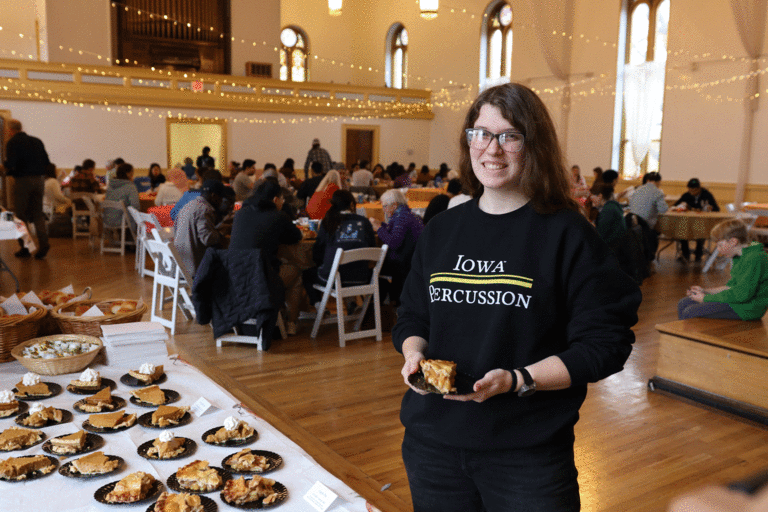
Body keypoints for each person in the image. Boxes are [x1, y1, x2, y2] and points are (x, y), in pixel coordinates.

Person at [392, 83, 641, 512]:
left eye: (510, 136)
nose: (492, 148)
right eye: (481, 133)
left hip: (527, 453)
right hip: (432, 445)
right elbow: (413, 316)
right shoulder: (442, 231)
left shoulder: (567, 234)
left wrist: (518, 380)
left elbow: (605, 345)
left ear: (534, 146)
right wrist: (413, 354)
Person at [229, 180, 303, 335]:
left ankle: (279, 314)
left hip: (234, 277)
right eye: (282, 199)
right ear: (276, 199)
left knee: (275, 264)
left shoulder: (240, 213)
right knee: (296, 272)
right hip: (261, 280)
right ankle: (291, 323)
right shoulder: (278, 216)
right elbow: (296, 236)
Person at [678, 219, 768, 320]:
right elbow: (731, 287)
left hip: (747, 309)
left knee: (690, 311)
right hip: (738, 303)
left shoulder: (754, 258)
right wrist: (705, 291)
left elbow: (741, 295)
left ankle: (690, 335)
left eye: (720, 245)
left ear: (733, 241)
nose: (718, 249)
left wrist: (705, 298)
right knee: (684, 303)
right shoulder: (739, 256)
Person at [302, 189, 376, 310]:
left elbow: (318, 251)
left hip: (334, 279)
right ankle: (351, 302)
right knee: (346, 267)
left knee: (307, 274)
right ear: (352, 204)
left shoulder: (328, 221)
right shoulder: (364, 222)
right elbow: (372, 248)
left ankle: (319, 305)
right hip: (361, 278)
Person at [3, 118, 51, 258]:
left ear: (10, 130)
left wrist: (5, 168)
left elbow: (11, 163)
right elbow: (46, 161)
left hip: (23, 180)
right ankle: (44, 243)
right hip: (39, 180)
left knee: (20, 216)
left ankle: (26, 247)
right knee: (37, 213)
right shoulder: (37, 141)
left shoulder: (12, 142)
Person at [370, 189, 423, 306]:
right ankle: (390, 298)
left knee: (371, 270)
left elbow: (394, 242)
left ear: (394, 205)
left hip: (403, 263)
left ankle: (379, 304)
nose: (383, 210)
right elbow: (394, 231)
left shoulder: (401, 218)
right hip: (412, 260)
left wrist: (379, 229)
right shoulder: (407, 215)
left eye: (385, 206)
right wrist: (381, 225)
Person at [174, 179, 228, 277]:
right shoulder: (205, 209)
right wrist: (221, 233)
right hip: (194, 267)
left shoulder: (189, 205)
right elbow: (207, 239)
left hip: (180, 265)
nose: (221, 202)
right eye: (221, 198)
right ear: (213, 195)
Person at [674, 178, 721, 262]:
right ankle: (685, 254)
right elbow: (675, 206)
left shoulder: (707, 195)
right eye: (690, 189)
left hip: (702, 223)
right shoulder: (686, 195)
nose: (692, 192)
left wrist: (709, 208)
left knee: (701, 233)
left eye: (694, 190)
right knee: (681, 231)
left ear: (699, 188)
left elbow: (717, 209)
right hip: (687, 223)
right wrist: (682, 206)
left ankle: (698, 254)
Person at [103, 162, 140, 232]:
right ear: (128, 173)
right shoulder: (130, 187)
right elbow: (136, 206)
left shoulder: (110, 185)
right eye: (132, 172)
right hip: (122, 220)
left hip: (107, 219)